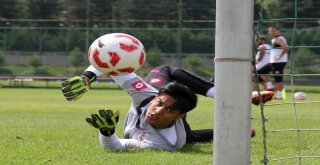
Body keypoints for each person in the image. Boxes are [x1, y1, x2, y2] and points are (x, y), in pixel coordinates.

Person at [61, 65, 271, 150]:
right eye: (160, 104)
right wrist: (87, 77)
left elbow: (117, 146)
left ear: (180, 116)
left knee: (187, 138)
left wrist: (107, 132)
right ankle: (235, 111)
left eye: (168, 110)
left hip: (176, 129)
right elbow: (112, 61)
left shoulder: (164, 143)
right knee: (165, 72)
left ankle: (236, 106)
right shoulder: (149, 96)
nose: (157, 111)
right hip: (164, 99)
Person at [268, 26, 289, 99]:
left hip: (279, 62)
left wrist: (279, 56)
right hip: (274, 62)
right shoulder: (274, 39)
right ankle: (271, 89)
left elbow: (286, 47)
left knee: (278, 79)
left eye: (273, 30)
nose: (271, 32)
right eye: (270, 31)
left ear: (278, 31)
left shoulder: (279, 39)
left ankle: (279, 95)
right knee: (262, 72)